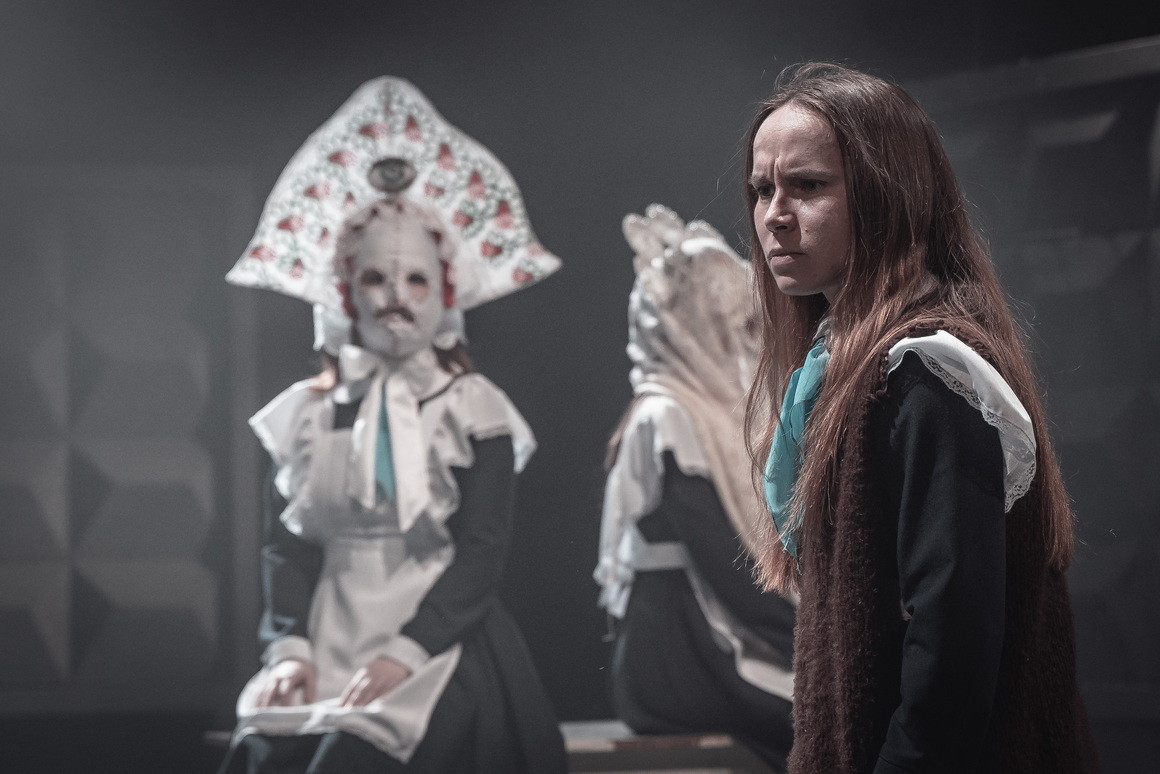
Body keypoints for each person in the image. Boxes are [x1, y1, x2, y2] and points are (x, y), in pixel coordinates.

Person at [743, 63, 1100, 773]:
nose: (775, 215)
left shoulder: (927, 372)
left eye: (807, 186)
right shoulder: (844, 366)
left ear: (887, 196)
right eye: (762, 189)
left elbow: (952, 645)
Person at [218, 77, 566, 774]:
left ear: (445, 290)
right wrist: (288, 649)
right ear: (345, 292)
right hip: (328, 635)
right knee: (261, 757)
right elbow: (286, 548)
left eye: (415, 281)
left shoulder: (474, 408)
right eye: (375, 280)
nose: (395, 300)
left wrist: (405, 653)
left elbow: (482, 551)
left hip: (437, 641)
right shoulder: (305, 413)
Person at [595, 205, 796, 771]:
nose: (746, 344)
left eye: (750, 327)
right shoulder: (666, 418)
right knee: (843, 715)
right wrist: (820, 638)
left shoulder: (706, 413)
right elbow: (727, 565)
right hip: (679, 657)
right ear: (689, 326)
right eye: (731, 327)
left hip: (707, 641)